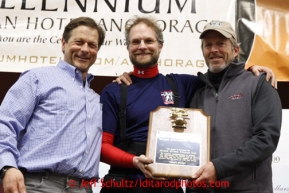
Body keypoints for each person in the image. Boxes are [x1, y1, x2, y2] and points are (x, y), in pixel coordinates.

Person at [100, 16, 276, 193]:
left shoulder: (182, 85)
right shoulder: (115, 90)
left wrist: (251, 70)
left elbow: (226, 79)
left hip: (169, 187)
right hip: (124, 184)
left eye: (149, 40)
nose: (142, 46)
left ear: (160, 45)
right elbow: (101, 147)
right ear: (128, 47)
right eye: (136, 41)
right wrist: (134, 161)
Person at [0, 17, 105, 193]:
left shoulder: (97, 99)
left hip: (82, 188)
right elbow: (5, 123)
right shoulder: (37, 78)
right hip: (37, 185)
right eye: (78, 42)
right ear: (63, 43)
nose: (85, 49)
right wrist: (7, 166)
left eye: (92, 45)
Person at [187, 20, 282, 192]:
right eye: (208, 45)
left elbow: (266, 139)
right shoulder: (195, 91)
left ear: (235, 50)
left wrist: (219, 167)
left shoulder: (259, 83)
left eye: (221, 44)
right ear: (203, 51)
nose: (214, 50)